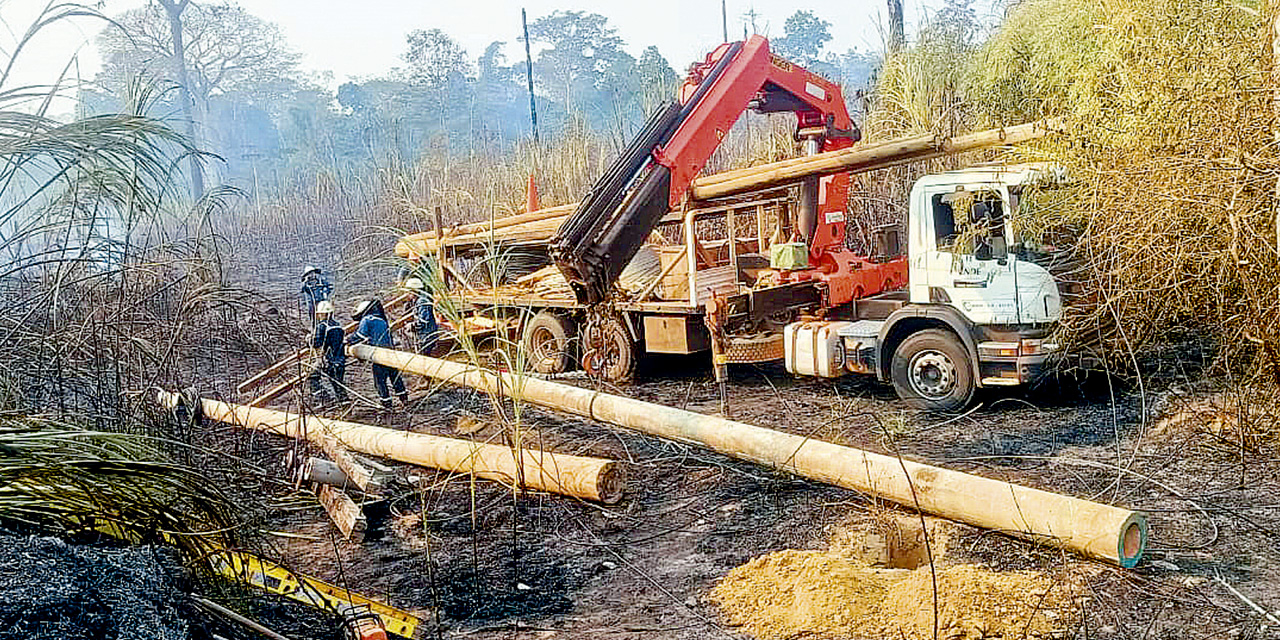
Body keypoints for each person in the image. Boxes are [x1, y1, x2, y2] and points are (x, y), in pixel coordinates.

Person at [347, 298, 409, 409]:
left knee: (380, 381)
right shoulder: (381, 319)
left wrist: (348, 341)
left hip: (379, 354)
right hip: (390, 352)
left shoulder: (367, 320)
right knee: (395, 377)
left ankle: (387, 404)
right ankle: (404, 399)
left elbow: (360, 336)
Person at [308, 301, 347, 402]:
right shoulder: (338, 326)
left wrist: (308, 339)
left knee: (312, 377)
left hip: (329, 361)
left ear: (321, 314)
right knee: (338, 385)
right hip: (340, 361)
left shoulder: (322, 326)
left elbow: (316, 343)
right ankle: (345, 404)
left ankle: (325, 400)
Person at [403, 277, 439, 355]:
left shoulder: (422, 302)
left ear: (414, 291)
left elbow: (424, 321)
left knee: (425, 356)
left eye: (409, 292)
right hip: (424, 335)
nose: (407, 294)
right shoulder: (416, 302)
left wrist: (412, 325)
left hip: (428, 336)